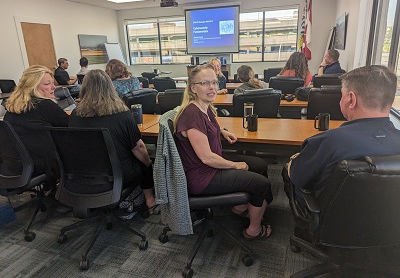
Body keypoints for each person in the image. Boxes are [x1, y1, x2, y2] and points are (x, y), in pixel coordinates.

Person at [174, 64, 273, 239]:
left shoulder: (205, 107)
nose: (212, 87)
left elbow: (209, 128)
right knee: (261, 184)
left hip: (211, 164)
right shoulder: (191, 114)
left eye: (214, 82)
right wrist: (235, 165)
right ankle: (254, 230)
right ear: (193, 88)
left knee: (260, 165)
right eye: (205, 83)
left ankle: (241, 207)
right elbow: (206, 158)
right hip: (202, 176)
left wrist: (222, 132)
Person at [286, 65, 400, 211]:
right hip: (387, 222)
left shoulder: (327, 142)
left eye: (342, 95)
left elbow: (296, 176)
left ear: (351, 99)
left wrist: (293, 160)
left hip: (329, 220)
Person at [68, 69, 157, 212]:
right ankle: (150, 200)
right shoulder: (122, 113)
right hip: (118, 174)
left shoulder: (75, 114)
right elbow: (139, 148)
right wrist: (148, 164)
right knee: (143, 160)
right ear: (110, 87)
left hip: (83, 173)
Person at [4, 65, 69, 184]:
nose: (54, 87)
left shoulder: (12, 108)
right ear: (32, 87)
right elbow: (70, 127)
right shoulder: (45, 105)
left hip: (14, 166)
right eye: (47, 84)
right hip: (43, 165)